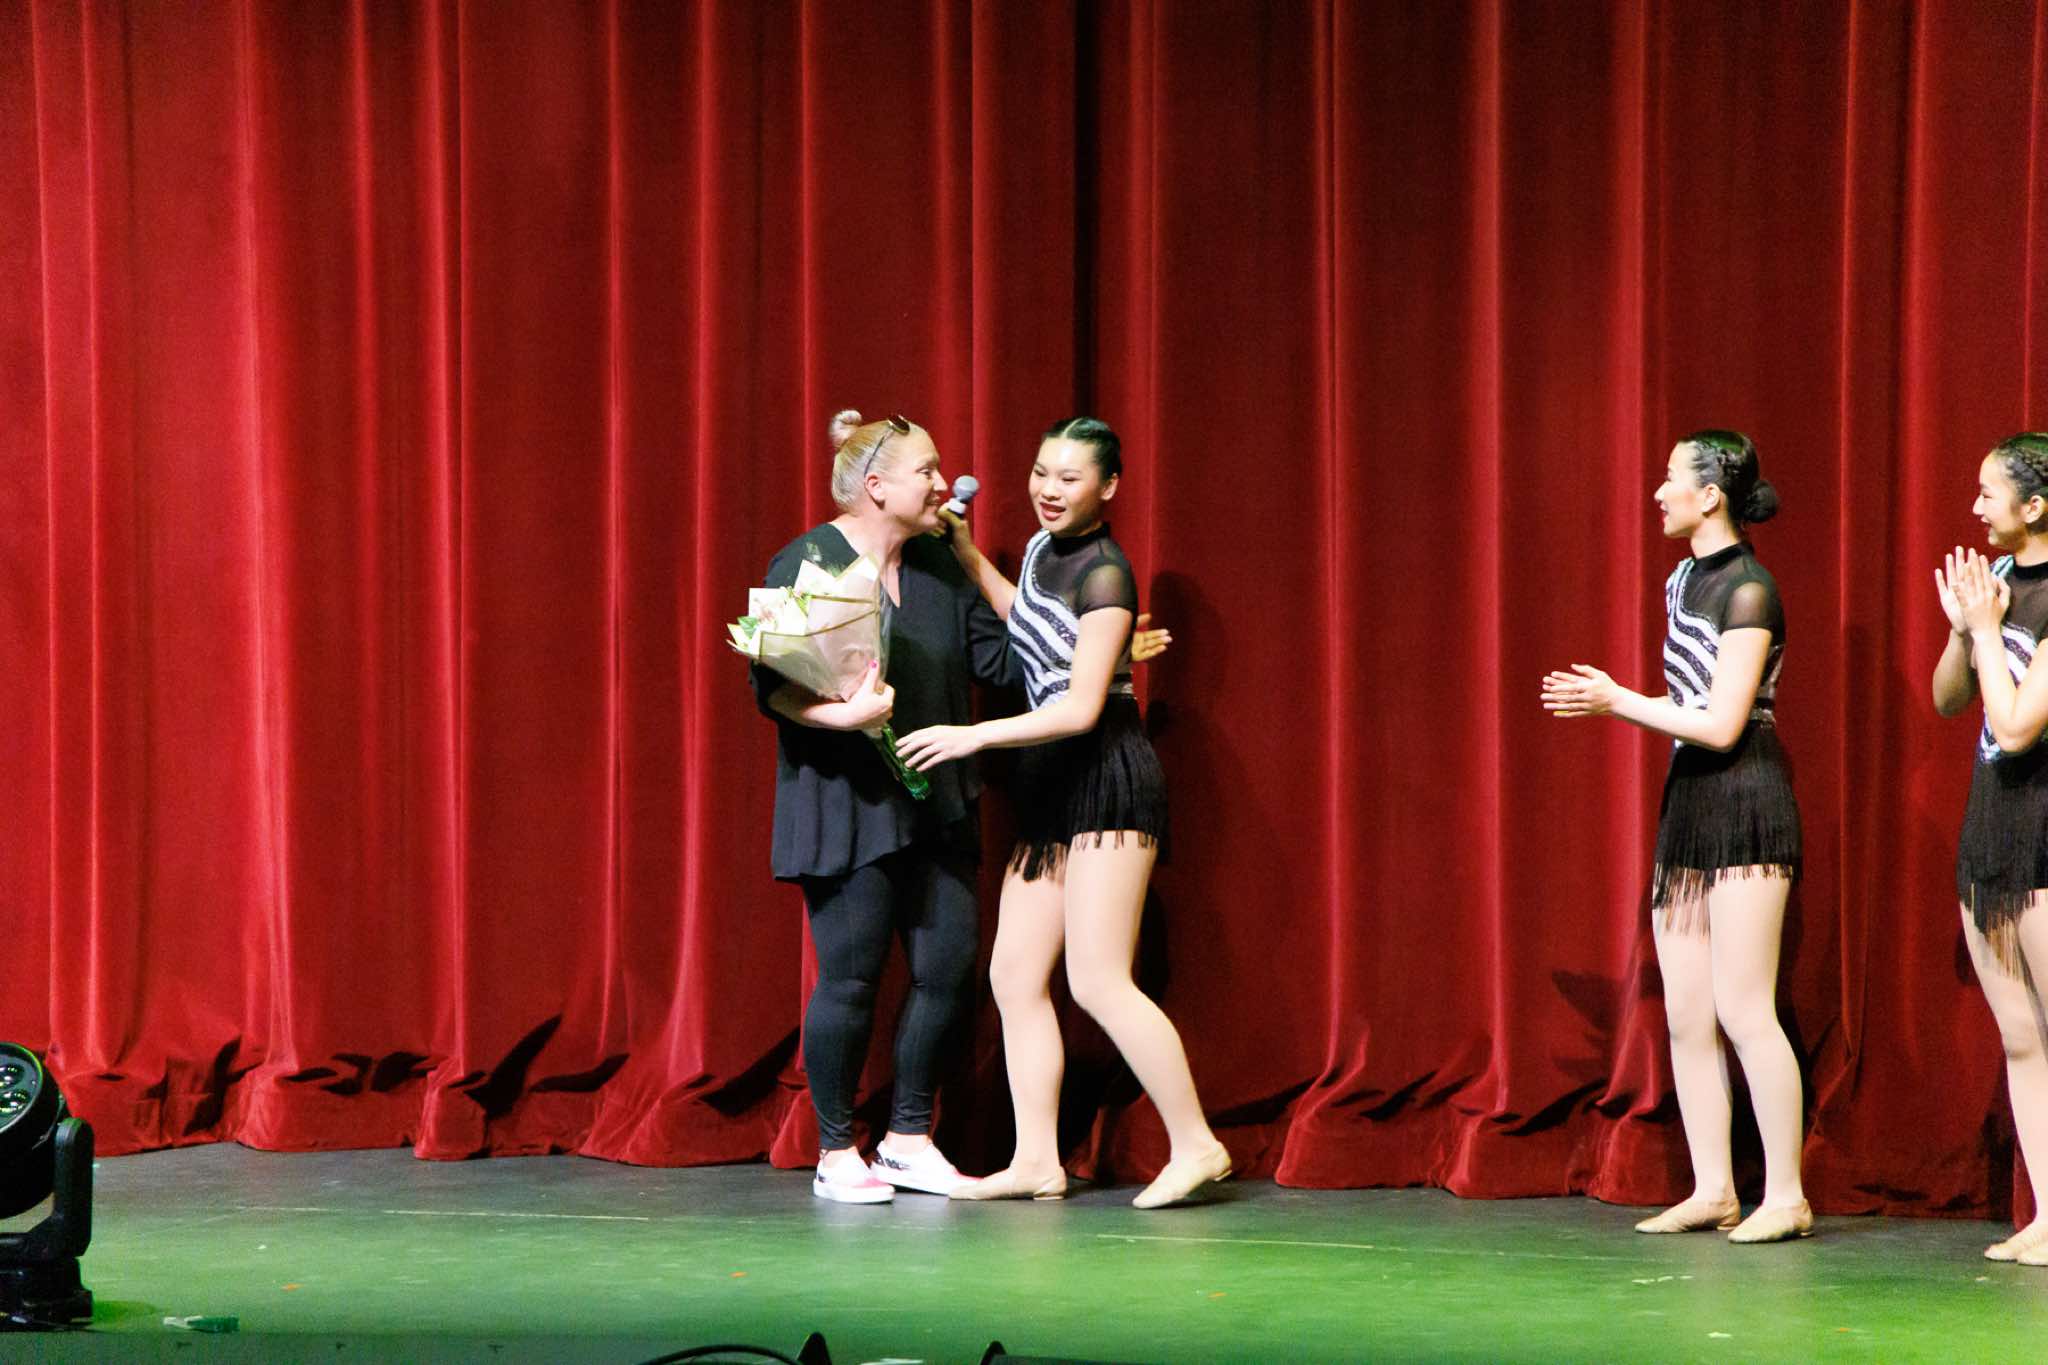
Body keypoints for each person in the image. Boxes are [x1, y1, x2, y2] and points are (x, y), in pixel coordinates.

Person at [755, 409, 1169, 1204]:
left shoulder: (939, 568)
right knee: (852, 977)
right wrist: (842, 716)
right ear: (876, 486)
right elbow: (773, 686)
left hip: (936, 803)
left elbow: (1005, 662)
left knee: (946, 971)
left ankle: (908, 1138)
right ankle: (836, 1148)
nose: (945, 484)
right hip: (848, 804)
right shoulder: (807, 561)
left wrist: (1100, 642)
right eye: (928, 471)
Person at [897, 416, 1232, 1209]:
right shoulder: (1045, 550)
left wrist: (973, 734)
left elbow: (1081, 707)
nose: (1048, 489)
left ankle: (1197, 1143)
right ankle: (1037, 1160)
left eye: (1069, 478)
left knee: (1098, 979)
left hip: (1106, 775)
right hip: (1050, 786)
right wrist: (968, 554)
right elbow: (1032, 629)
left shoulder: (1108, 575)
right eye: (1041, 472)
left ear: (1108, 487)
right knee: (1014, 973)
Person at [1541, 430, 1809, 1243]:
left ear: (1710, 494)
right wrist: (1623, 704)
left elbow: (1723, 723)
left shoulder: (1751, 591)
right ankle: (1713, 1187)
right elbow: (1687, 709)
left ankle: (1787, 1194)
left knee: (1744, 1007)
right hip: (1690, 799)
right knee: (1688, 1011)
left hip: (1747, 797)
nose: (1658, 492)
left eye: (1670, 478)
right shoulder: (1683, 580)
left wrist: (1616, 700)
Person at [1931, 432, 2048, 1265]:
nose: (1974, 507)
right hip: (1991, 824)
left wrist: (1983, 627)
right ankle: (2046, 1213)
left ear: (2035, 506)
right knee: (2020, 1035)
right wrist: (1960, 633)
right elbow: (1950, 701)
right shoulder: (1997, 584)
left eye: (1988, 493)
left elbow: (2013, 727)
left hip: (2043, 828)